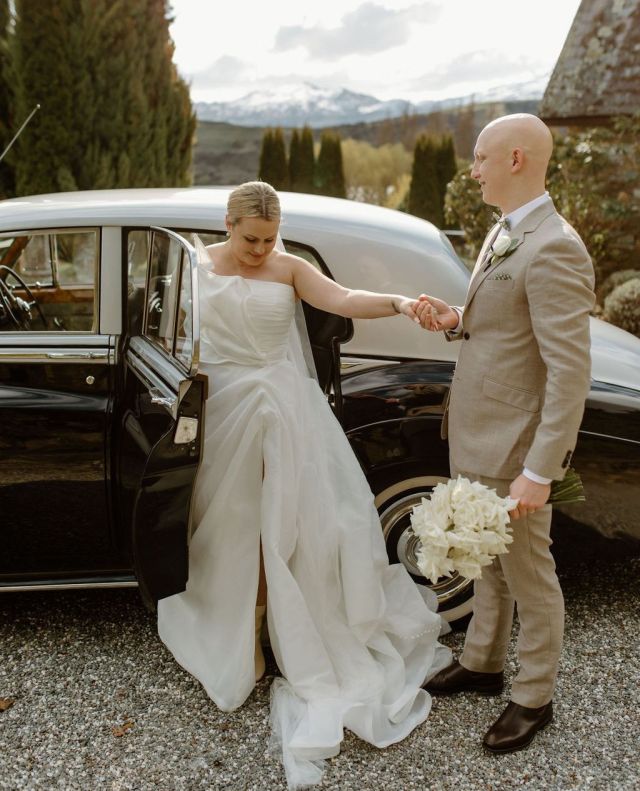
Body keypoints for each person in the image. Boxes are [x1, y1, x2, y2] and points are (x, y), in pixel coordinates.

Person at [158, 181, 450, 788]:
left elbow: (343, 299)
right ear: (228, 225)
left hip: (279, 407)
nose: (261, 249)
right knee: (225, 523)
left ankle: (273, 632)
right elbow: (178, 337)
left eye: (269, 238)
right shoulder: (192, 264)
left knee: (279, 518)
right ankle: (237, 627)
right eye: (250, 239)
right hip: (220, 408)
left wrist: (398, 302)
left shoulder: (290, 268)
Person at [416, 114, 595, 753]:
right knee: (484, 560)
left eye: (482, 157)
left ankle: (534, 696)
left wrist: (541, 469)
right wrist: (457, 318)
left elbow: (569, 372)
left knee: (529, 574)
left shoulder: (556, 245)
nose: (474, 168)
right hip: (477, 430)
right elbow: (503, 321)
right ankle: (484, 663)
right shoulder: (505, 229)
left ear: (516, 159)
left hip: (515, 444)